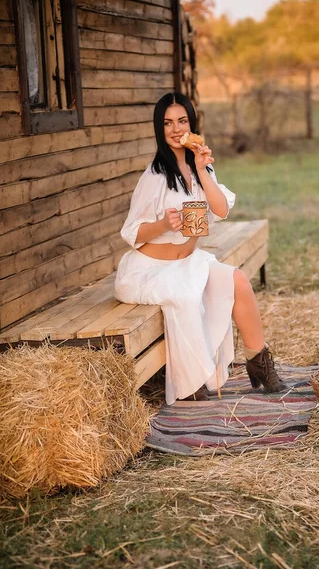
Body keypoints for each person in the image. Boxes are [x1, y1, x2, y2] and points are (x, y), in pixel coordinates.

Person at [114, 93, 285, 404]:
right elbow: (131, 232)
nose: (176, 129)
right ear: (159, 129)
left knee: (238, 281)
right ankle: (190, 384)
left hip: (186, 264)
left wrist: (203, 170)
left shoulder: (200, 166)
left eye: (182, 121)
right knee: (186, 298)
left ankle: (258, 362)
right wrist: (164, 224)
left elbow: (220, 210)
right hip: (149, 270)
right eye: (167, 123)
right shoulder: (153, 178)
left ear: (192, 124)